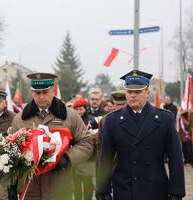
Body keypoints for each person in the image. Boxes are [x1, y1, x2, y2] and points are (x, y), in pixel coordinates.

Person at [97, 70, 186, 200]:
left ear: (147, 93)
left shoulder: (165, 118)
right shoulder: (112, 120)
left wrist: (177, 191)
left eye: (138, 92)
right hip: (125, 188)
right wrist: (103, 190)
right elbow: (106, 157)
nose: (133, 95)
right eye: (129, 92)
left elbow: (175, 157)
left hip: (155, 188)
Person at [9, 72, 94, 200]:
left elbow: (86, 143)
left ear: (53, 90)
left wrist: (67, 158)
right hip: (29, 190)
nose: (41, 97)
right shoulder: (19, 119)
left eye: (45, 92)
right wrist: (11, 187)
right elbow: (11, 153)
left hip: (59, 187)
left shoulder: (70, 116)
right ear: (32, 92)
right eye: (37, 93)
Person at [95, 90, 127, 199]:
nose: (119, 107)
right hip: (110, 166)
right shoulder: (106, 120)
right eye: (117, 104)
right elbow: (99, 144)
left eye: (123, 104)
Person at [72, 98, 98, 200]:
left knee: (87, 183)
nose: (79, 112)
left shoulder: (91, 121)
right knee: (77, 183)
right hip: (76, 156)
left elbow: (97, 135)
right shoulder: (72, 120)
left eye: (81, 109)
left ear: (85, 109)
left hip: (89, 156)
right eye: (77, 109)